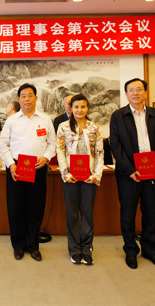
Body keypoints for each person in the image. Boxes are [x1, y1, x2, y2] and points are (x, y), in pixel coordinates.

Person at [110, 78, 155, 270]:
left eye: (139, 89)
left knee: (151, 212)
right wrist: (130, 170)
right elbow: (115, 146)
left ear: (145, 92)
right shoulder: (118, 115)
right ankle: (130, 250)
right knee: (128, 212)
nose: (135, 93)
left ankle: (150, 249)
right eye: (131, 90)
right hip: (129, 173)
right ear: (126, 94)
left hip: (153, 171)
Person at [0, 83, 57, 261]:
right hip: (16, 168)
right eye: (23, 96)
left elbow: (52, 143)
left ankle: (33, 245)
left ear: (36, 98)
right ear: (18, 99)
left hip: (38, 167)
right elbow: (3, 144)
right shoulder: (12, 120)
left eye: (30, 95)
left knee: (36, 207)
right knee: (16, 208)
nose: (27, 99)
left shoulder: (45, 119)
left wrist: (46, 157)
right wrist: (10, 164)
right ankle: (18, 245)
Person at [56, 94, 104, 265]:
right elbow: (60, 151)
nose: (79, 110)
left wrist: (96, 175)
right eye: (76, 107)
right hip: (71, 177)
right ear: (71, 108)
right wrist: (65, 173)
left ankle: (87, 248)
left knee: (87, 212)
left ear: (87, 108)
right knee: (72, 213)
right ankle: (75, 249)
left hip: (89, 176)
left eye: (83, 106)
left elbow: (99, 153)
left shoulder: (94, 127)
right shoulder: (63, 127)